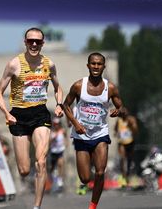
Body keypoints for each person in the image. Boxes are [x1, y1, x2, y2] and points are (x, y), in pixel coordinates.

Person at [0, 27, 63, 209]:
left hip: (40, 114)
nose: (34, 44)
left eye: (38, 41)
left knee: (41, 161)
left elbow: (58, 88)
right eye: (30, 41)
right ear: (25, 42)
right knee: (24, 170)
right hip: (18, 116)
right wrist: (6, 113)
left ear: (43, 44)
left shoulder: (49, 64)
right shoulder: (14, 64)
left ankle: (36, 206)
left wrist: (59, 104)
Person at [62, 52, 124, 209]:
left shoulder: (110, 88)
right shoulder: (78, 86)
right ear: (88, 66)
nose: (96, 67)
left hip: (100, 134)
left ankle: (93, 206)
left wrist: (118, 110)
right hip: (81, 136)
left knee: (100, 172)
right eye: (93, 64)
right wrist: (75, 124)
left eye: (99, 64)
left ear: (104, 66)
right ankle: (86, 175)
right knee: (84, 178)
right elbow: (65, 105)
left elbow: (120, 104)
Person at [114, 108, 138, 187]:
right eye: (122, 114)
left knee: (130, 158)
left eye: (124, 114)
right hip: (122, 142)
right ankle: (123, 176)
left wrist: (131, 125)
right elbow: (115, 129)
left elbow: (136, 130)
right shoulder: (119, 120)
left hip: (130, 141)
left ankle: (129, 174)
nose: (123, 116)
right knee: (122, 158)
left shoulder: (131, 119)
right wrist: (117, 133)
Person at [49, 117, 67, 191]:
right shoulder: (51, 132)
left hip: (60, 150)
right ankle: (54, 179)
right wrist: (54, 137)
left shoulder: (62, 131)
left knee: (60, 164)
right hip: (53, 151)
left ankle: (60, 180)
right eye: (55, 124)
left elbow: (66, 137)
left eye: (57, 124)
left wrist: (66, 143)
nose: (56, 126)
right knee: (52, 168)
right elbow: (49, 142)